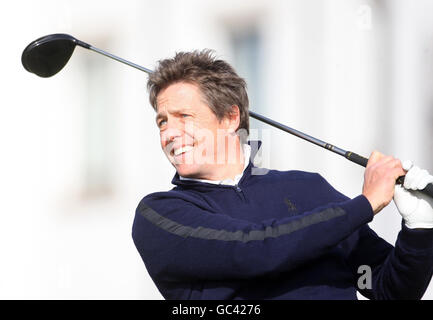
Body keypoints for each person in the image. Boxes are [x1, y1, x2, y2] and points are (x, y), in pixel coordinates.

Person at [132, 49, 433, 300]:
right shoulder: (160, 215)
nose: (170, 133)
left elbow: (387, 287)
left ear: (229, 118)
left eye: (184, 116)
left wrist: (420, 227)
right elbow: (255, 250)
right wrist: (364, 204)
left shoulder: (307, 189)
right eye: (162, 122)